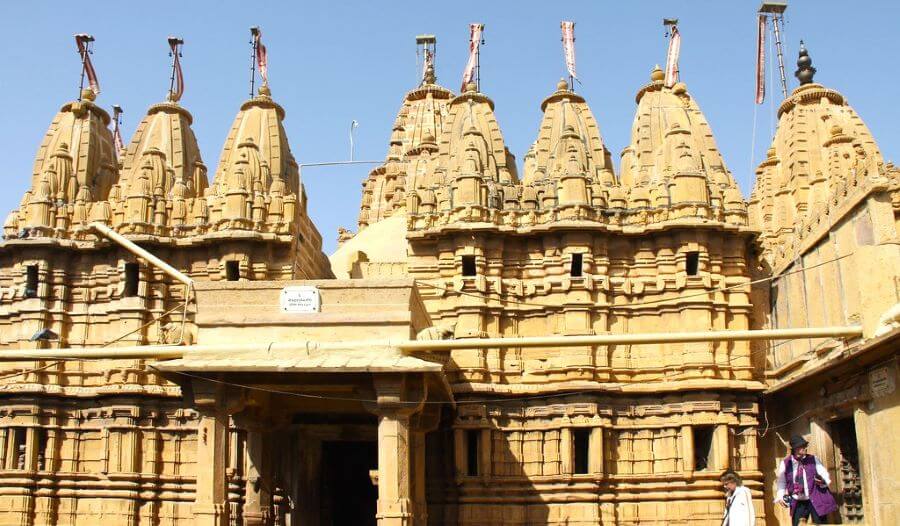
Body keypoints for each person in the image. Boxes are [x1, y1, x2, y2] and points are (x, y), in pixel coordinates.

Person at [774, 435, 838, 525]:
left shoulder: (813, 459)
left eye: (805, 446)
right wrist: (780, 496)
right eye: (802, 446)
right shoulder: (785, 463)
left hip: (815, 498)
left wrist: (823, 480)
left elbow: (824, 474)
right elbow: (781, 481)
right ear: (795, 448)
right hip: (798, 501)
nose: (805, 448)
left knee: (820, 524)